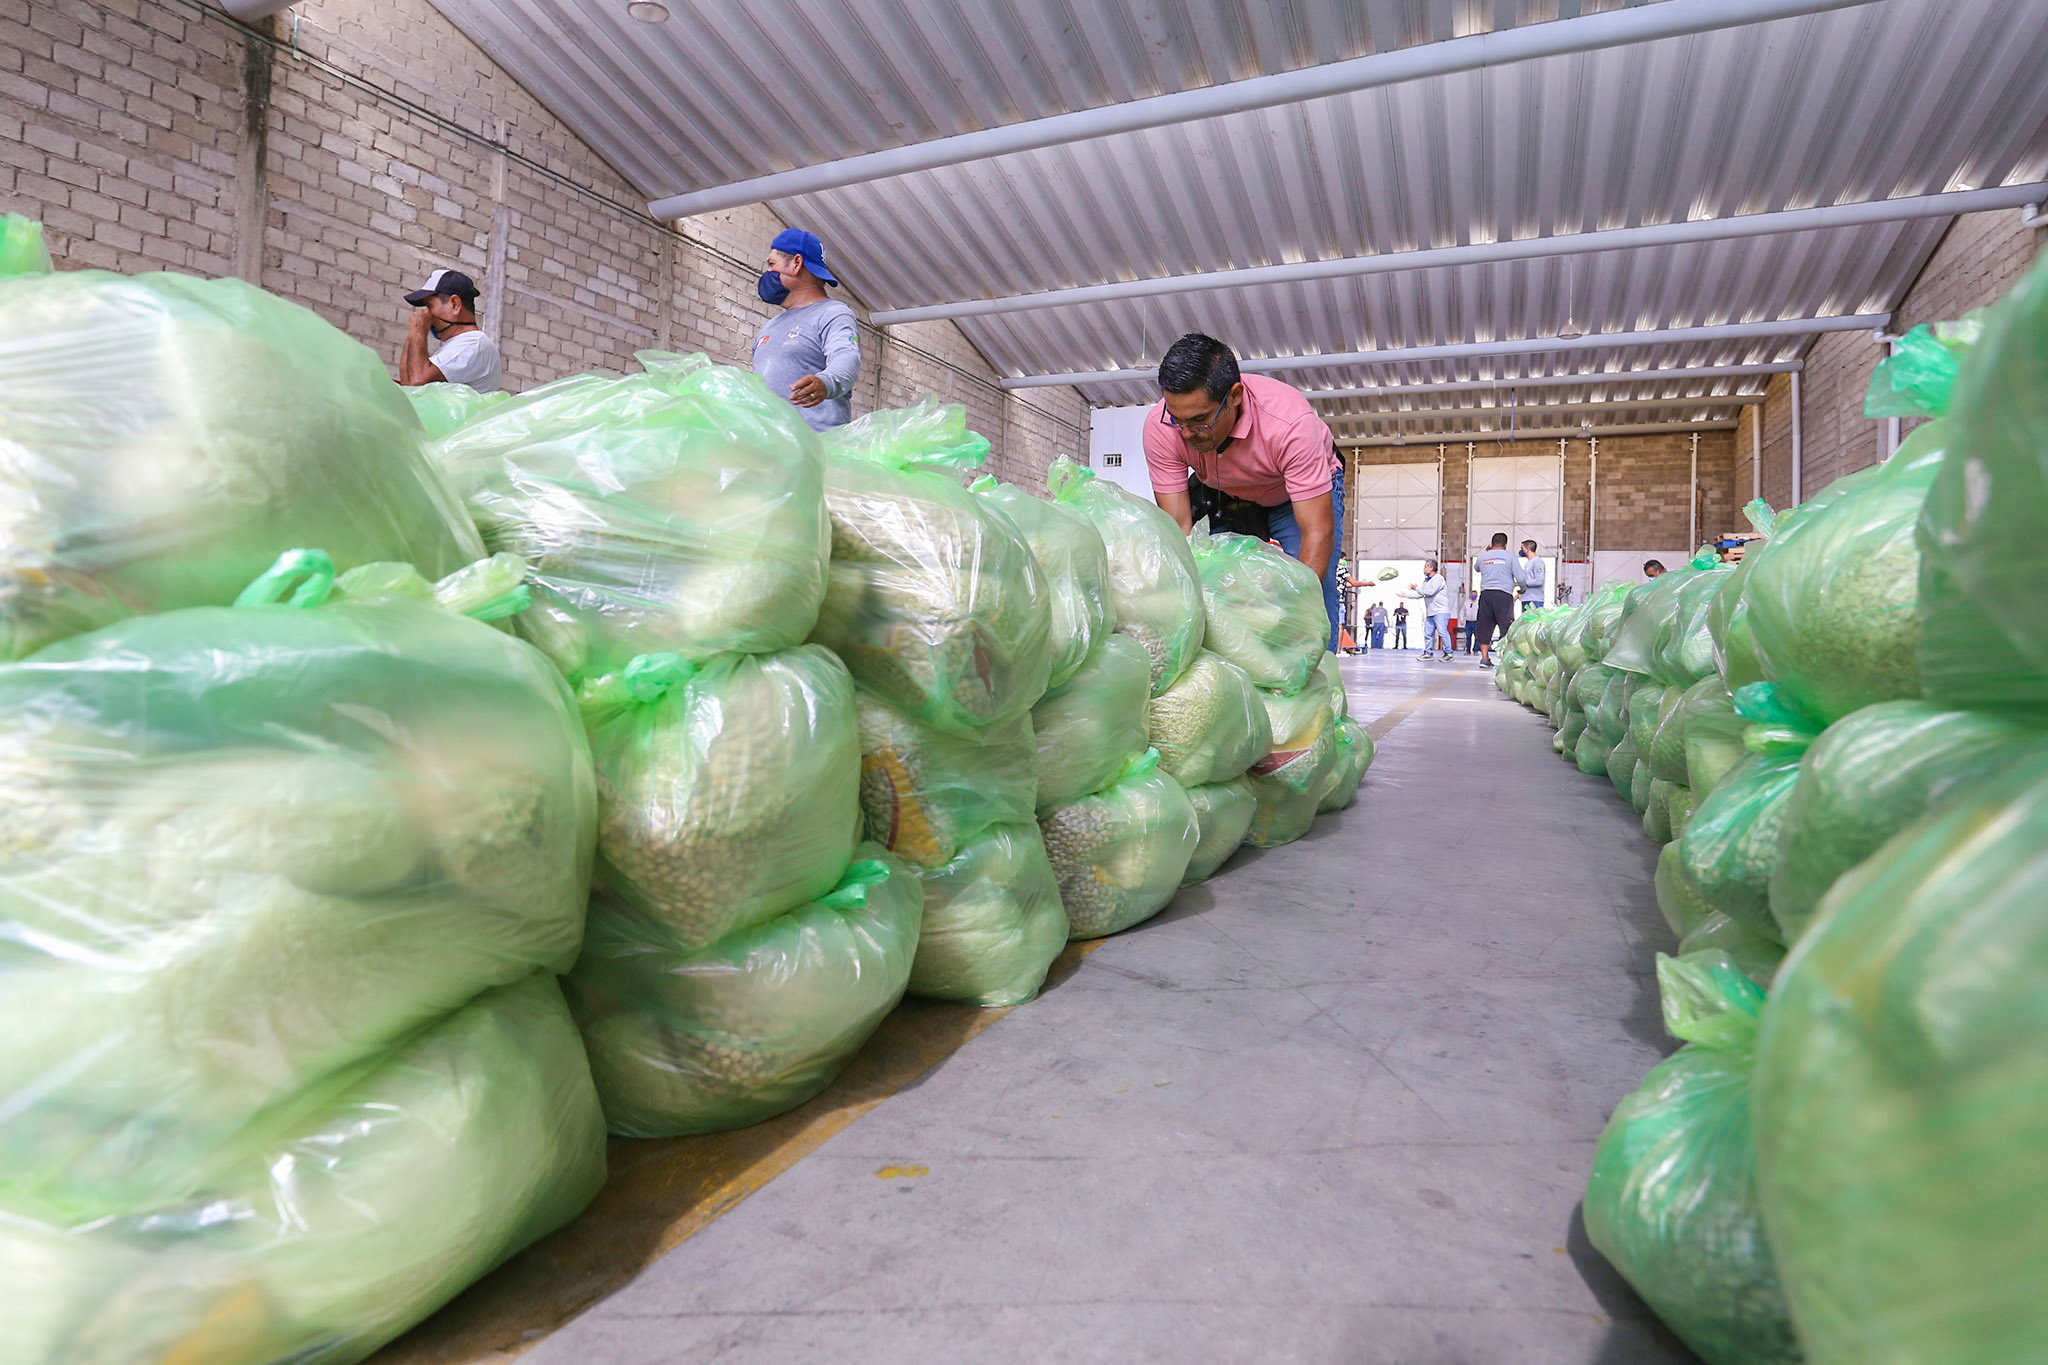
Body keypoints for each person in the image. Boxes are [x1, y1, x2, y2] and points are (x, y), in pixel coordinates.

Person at [1143, 333, 1347, 651]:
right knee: (1217, 582)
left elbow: (1316, 532)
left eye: (1199, 420)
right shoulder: (1161, 428)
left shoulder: (1290, 424)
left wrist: (1292, 623)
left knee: (1313, 590)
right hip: (1225, 490)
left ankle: (1319, 670)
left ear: (1235, 396)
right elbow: (1180, 531)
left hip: (1293, 496)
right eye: (1177, 419)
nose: (1186, 434)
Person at [752, 228, 860, 432]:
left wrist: (825, 382)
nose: (768, 272)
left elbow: (847, 359)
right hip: (772, 446)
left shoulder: (833, 314)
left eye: (772, 264)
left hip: (819, 446)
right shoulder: (769, 328)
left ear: (796, 263)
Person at [398, 268, 501, 393]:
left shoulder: (473, 344)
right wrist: (414, 332)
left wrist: (418, 330)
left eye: (430, 306)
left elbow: (417, 382)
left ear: (455, 304)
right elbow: (408, 384)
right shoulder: (459, 344)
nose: (426, 314)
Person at [1471, 532, 1520, 669]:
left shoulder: (1482, 557)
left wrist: (1488, 554)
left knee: (1484, 625)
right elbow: (1521, 577)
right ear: (1505, 544)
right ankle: (1505, 659)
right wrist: (1522, 588)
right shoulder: (1510, 557)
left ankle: (1484, 658)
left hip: (1486, 595)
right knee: (1506, 626)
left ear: (1491, 544)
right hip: (1503, 595)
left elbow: (1476, 568)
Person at [1401, 559, 1453, 661]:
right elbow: (1420, 594)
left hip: (1440, 612)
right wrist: (1406, 595)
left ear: (1431, 568)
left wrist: (1416, 588)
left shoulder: (1438, 578)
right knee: (1428, 633)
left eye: (1426, 566)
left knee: (1442, 632)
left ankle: (1448, 653)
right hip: (1430, 613)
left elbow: (1430, 592)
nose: (1424, 569)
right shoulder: (1426, 581)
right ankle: (1428, 653)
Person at [1516, 539, 1547, 611]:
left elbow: (1539, 581)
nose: (1521, 551)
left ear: (1527, 549)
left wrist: (1523, 583)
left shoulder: (1537, 562)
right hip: (1526, 598)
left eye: (1522, 548)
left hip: (1534, 600)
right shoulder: (1528, 563)